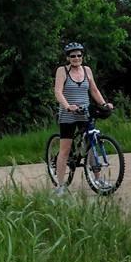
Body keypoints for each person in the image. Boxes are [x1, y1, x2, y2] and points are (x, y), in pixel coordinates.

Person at [53, 42, 114, 196]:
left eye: (79, 55)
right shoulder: (62, 71)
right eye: (72, 56)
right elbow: (58, 92)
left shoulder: (87, 70)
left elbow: (94, 89)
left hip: (85, 112)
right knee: (65, 150)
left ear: (82, 56)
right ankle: (60, 186)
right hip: (68, 114)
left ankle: (98, 179)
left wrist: (104, 104)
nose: (76, 58)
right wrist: (67, 106)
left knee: (91, 143)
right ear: (68, 57)